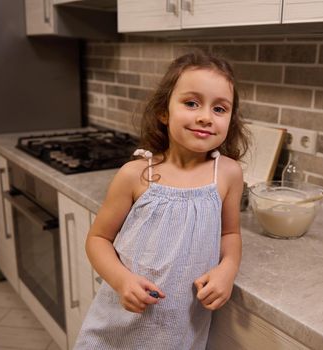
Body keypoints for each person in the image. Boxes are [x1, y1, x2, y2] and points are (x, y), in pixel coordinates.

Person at [74, 51, 249, 349]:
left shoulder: (228, 174)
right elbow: (98, 239)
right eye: (191, 103)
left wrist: (228, 268)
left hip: (179, 332)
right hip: (117, 325)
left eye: (219, 109)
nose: (205, 116)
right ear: (163, 111)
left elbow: (230, 233)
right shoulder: (136, 174)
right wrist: (121, 281)